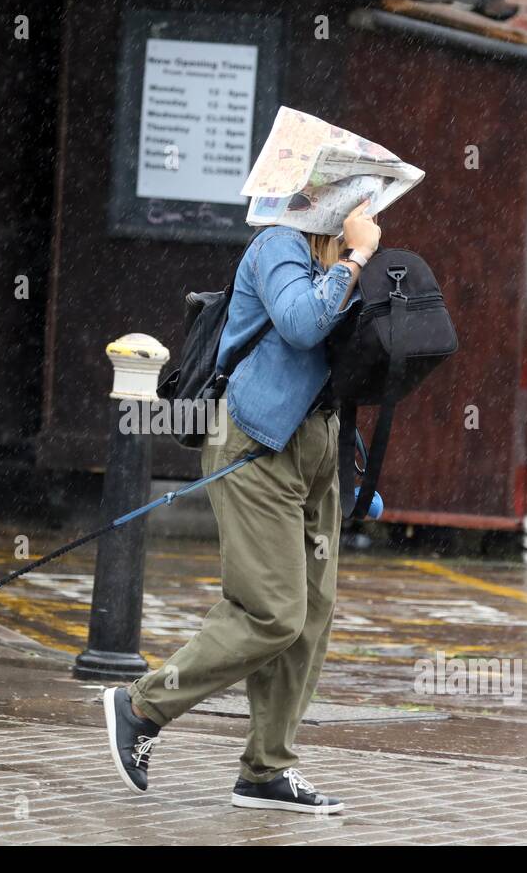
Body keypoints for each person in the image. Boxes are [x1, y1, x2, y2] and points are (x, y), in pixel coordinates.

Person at [103, 199, 383, 814]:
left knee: (311, 615)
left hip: (316, 444)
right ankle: (143, 704)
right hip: (255, 441)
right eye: (357, 198)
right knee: (271, 612)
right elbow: (301, 324)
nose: (368, 209)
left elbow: (341, 359)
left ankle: (267, 770)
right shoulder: (279, 244)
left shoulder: (340, 255)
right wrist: (358, 256)